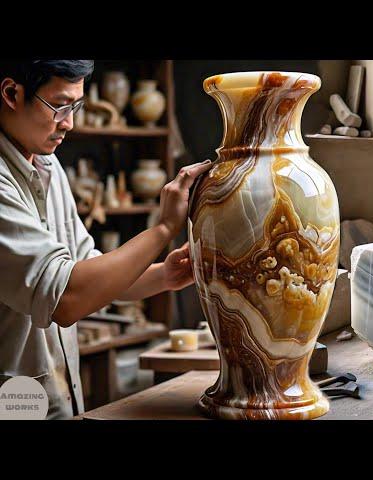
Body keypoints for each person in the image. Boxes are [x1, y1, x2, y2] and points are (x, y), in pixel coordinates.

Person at [0, 60, 213, 419]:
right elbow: (67, 298)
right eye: (59, 105)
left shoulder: (46, 167)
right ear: (11, 93)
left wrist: (162, 275)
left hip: (52, 398)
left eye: (75, 106)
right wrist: (162, 229)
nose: (69, 122)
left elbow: (88, 271)